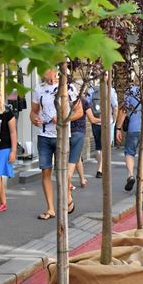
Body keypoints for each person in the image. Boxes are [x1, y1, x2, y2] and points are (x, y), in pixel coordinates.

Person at [30, 69, 82, 220]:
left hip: (62, 136)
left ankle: (68, 197)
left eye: (47, 70)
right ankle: (51, 209)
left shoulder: (68, 87)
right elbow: (33, 112)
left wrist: (63, 118)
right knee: (45, 171)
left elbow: (79, 111)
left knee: (62, 172)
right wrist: (34, 120)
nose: (45, 74)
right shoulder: (39, 89)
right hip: (44, 136)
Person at [115, 84, 143, 194]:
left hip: (133, 128)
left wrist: (118, 128)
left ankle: (130, 175)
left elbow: (124, 111)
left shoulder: (130, 92)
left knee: (129, 152)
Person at [67, 92, 98, 197]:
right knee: (72, 160)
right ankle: (67, 183)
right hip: (78, 132)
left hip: (67, 132)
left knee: (77, 157)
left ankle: (82, 179)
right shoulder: (83, 101)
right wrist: (104, 120)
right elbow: (92, 119)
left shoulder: (65, 100)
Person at [88, 78, 119, 178]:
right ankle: (101, 168)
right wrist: (114, 121)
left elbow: (87, 106)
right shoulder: (111, 90)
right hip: (107, 122)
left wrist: (92, 118)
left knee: (98, 146)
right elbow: (115, 107)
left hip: (95, 122)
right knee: (106, 146)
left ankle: (99, 167)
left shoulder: (91, 90)